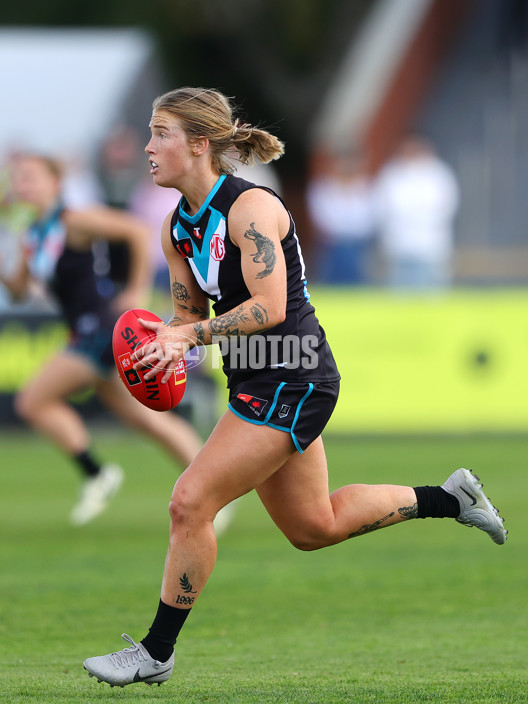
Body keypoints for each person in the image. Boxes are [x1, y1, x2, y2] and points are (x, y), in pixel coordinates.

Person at [83, 88, 507, 688]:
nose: (148, 148)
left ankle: (155, 652)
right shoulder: (177, 228)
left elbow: (272, 307)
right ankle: (452, 498)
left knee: (190, 501)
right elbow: (186, 319)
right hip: (255, 377)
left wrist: (193, 335)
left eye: (161, 134)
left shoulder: (250, 208)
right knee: (314, 527)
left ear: (200, 145)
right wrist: (161, 343)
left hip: (296, 372)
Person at [0, 153, 203, 526]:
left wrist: (136, 289)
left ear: (56, 184)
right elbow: (19, 292)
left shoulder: (75, 221)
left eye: (31, 177)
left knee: (33, 401)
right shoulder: (32, 235)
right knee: (145, 419)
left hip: (101, 327)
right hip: (85, 329)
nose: (23, 185)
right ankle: (210, 483)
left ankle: (96, 474)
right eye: (18, 179)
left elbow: (136, 230)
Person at [374, 134, 459, 290]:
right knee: (400, 292)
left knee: (433, 292)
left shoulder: (439, 173)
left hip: (431, 243)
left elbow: (446, 206)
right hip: (400, 244)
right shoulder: (392, 174)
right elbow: (383, 208)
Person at [306, 150, 376, 285]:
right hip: (331, 246)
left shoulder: (365, 187)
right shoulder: (323, 187)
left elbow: (369, 217)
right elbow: (321, 218)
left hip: (359, 246)